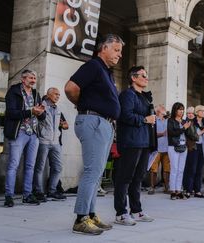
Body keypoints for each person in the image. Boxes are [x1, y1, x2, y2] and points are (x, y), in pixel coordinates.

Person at [64, 34, 124, 235]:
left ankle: (90, 213)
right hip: (94, 121)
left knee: (97, 172)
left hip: (104, 123)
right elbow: (71, 88)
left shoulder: (107, 72)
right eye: (116, 50)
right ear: (104, 48)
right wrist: (82, 105)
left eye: (120, 51)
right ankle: (80, 219)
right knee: (92, 171)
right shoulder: (94, 66)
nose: (119, 55)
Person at [114, 66, 156, 226]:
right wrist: (145, 119)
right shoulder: (127, 94)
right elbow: (125, 115)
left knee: (138, 178)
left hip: (144, 141)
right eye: (143, 75)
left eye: (147, 75)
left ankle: (136, 210)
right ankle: (121, 213)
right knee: (125, 178)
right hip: (131, 141)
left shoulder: (144, 97)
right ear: (133, 77)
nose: (146, 78)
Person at [4, 69, 46, 207]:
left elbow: (42, 116)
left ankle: (27, 195)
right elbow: (10, 113)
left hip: (33, 134)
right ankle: (9, 196)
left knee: (30, 166)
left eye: (34, 78)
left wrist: (40, 113)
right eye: (30, 78)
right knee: (13, 164)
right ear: (23, 79)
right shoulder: (14, 92)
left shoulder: (36, 93)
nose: (33, 80)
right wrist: (30, 111)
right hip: (19, 132)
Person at [33, 87, 69, 202]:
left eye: (59, 95)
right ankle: (38, 191)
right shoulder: (41, 106)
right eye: (55, 94)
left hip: (55, 142)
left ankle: (52, 191)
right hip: (43, 141)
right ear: (48, 95)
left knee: (58, 167)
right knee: (39, 167)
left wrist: (63, 126)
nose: (58, 96)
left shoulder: (58, 109)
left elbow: (66, 125)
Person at [167, 102, 191, 200]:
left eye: (182, 109)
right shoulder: (171, 121)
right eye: (179, 109)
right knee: (174, 168)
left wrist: (188, 127)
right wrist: (183, 128)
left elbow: (189, 134)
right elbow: (172, 133)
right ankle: (173, 191)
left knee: (181, 169)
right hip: (173, 146)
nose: (181, 111)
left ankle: (179, 190)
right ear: (175, 110)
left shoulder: (184, 121)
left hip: (183, 146)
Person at [184, 105, 204, 198]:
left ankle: (197, 190)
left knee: (199, 170)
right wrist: (203, 131)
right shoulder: (191, 122)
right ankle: (188, 190)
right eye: (202, 111)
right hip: (194, 147)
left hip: (202, 147)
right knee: (192, 169)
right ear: (197, 112)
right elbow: (192, 135)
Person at [148, 105, 170, 195]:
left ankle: (166, 187)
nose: (165, 113)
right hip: (156, 149)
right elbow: (151, 134)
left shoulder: (168, 121)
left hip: (167, 148)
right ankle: (152, 187)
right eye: (163, 112)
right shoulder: (153, 121)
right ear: (157, 112)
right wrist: (162, 134)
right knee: (154, 169)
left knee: (167, 169)